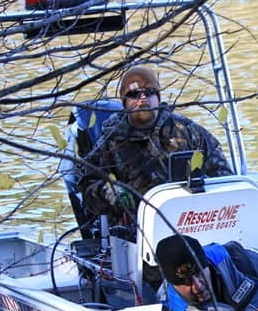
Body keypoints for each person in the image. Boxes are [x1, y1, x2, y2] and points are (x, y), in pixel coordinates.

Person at [79, 65, 234, 224]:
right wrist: (109, 193)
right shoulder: (109, 143)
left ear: (158, 97)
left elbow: (225, 177)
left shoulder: (188, 131)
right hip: (138, 231)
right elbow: (87, 189)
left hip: (192, 220)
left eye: (149, 92)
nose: (143, 98)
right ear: (124, 102)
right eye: (134, 94)